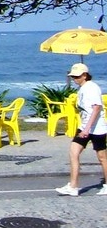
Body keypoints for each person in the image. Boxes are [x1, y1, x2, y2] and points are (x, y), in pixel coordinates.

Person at [55, 62, 107, 196]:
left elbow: (97, 108)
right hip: (84, 127)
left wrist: (87, 129)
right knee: (73, 152)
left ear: (85, 75)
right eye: (73, 77)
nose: (74, 79)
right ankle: (73, 186)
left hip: (97, 128)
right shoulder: (82, 88)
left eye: (77, 76)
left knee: (102, 157)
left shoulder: (92, 88)